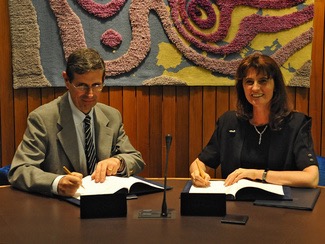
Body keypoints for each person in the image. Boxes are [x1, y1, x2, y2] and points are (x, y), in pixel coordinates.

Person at [8, 48, 145, 197]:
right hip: (61, 209)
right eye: (82, 86)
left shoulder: (111, 116)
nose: (90, 94)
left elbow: (135, 158)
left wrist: (119, 162)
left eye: (96, 85)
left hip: (105, 203)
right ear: (67, 80)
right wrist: (57, 183)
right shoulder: (43, 119)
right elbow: (20, 170)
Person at [190, 53, 319, 188]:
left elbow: (311, 178)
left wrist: (257, 174)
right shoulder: (228, 122)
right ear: (243, 87)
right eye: (249, 82)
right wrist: (197, 173)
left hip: (280, 206)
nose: (255, 88)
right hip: (234, 205)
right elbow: (199, 163)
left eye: (263, 81)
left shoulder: (296, 124)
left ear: (275, 85)